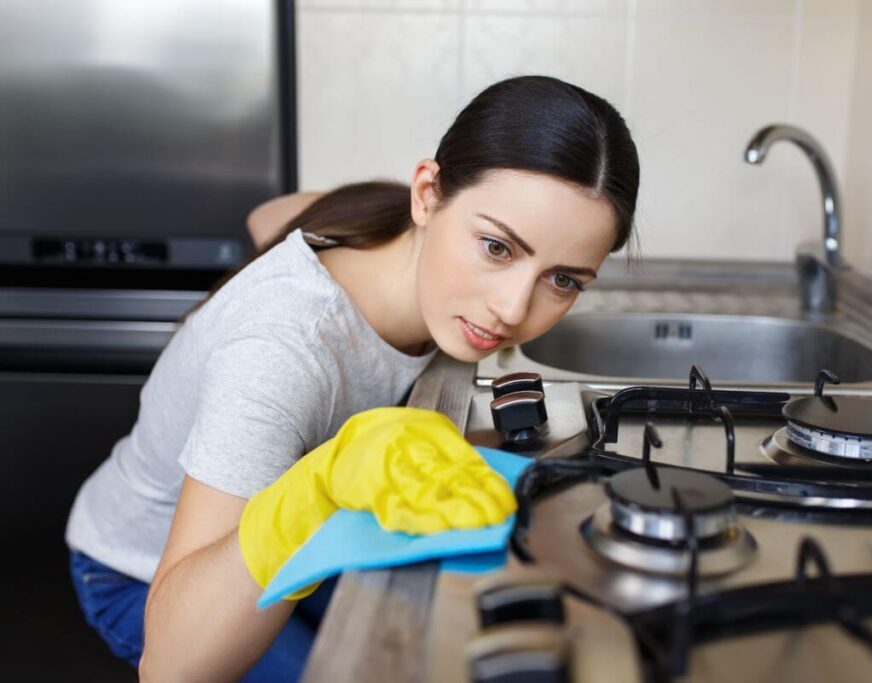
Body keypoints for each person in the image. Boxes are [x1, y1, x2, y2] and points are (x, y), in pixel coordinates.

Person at [64, 74, 640, 681]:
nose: (514, 310)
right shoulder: (283, 352)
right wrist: (317, 484)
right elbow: (171, 664)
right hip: (149, 576)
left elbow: (271, 215)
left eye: (564, 280)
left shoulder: (379, 216)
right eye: (497, 248)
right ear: (426, 193)